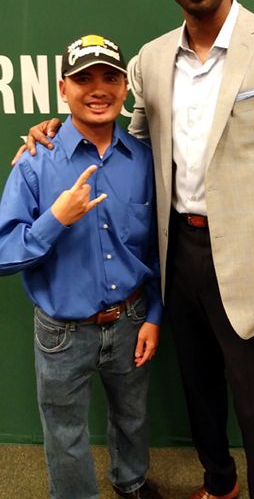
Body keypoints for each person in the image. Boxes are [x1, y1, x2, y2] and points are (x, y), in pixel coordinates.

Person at [15, 0, 254, 499]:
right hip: (175, 252)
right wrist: (58, 131)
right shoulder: (152, 60)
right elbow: (128, 143)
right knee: (199, 387)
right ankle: (220, 483)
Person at [0, 34, 163, 499]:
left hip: (131, 320)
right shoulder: (35, 161)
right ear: (62, 88)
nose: (98, 88)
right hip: (61, 332)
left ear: (124, 88)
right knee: (65, 434)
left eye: (110, 77)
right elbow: (3, 253)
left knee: (132, 417)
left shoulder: (143, 160)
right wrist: (55, 219)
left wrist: (153, 315)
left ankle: (130, 481)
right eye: (83, 78)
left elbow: (156, 247)